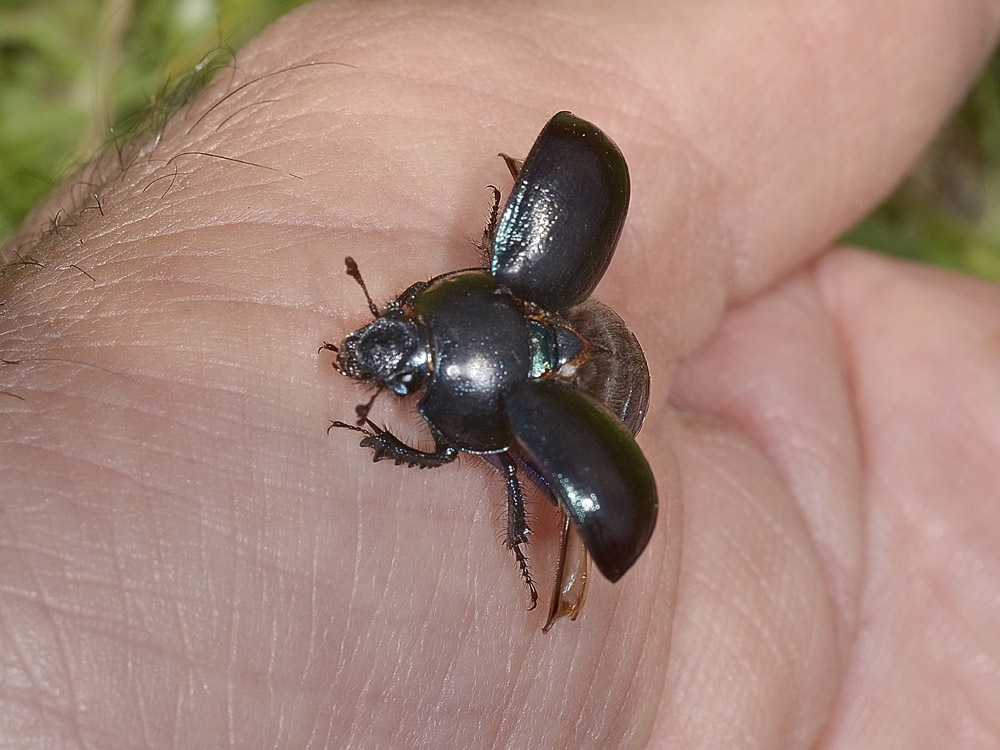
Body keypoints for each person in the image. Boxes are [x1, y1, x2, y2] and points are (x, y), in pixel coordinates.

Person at [1, 1, 998, 747]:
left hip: (588, 382)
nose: (384, 346)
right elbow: (453, 435)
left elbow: (446, 450)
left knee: (516, 467)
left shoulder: (480, 375)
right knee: (513, 460)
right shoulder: (478, 348)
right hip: (565, 362)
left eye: (392, 333)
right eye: (395, 338)